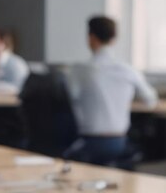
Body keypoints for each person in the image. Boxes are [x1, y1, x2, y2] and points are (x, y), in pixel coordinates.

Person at [64, 16, 158, 165]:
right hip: (120, 142)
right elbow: (151, 100)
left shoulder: (78, 70)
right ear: (114, 39)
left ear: (91, 38)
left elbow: (70, 98)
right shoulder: (128, 69)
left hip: (89, 143)